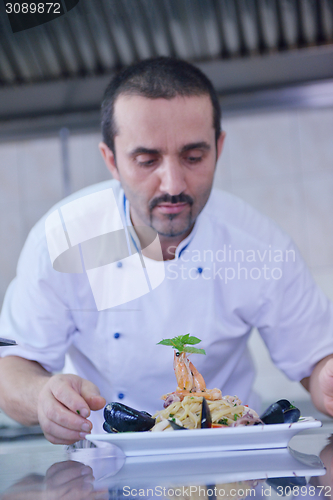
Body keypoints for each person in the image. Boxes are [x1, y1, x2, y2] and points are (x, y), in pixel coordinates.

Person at [0, 57, 332, 445]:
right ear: (111, 160)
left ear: (218, 148)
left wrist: (326, 377)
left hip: (232, 454)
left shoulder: (258, 245)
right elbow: (11, 369)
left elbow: (317, 359)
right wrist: (41, 395)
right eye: (147, 160)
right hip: (109, 461)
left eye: (194, 157)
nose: (173, 183)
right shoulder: (62, 240)